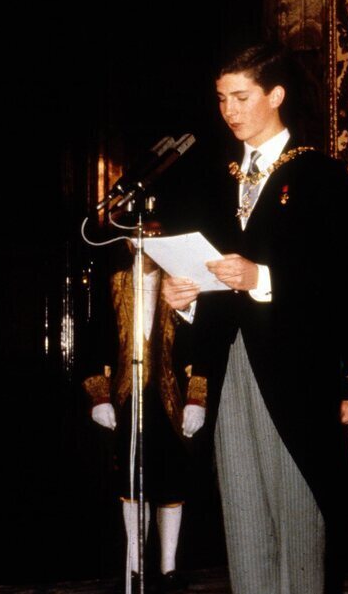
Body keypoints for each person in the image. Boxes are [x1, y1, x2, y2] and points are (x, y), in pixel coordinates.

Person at [161, 43, 348, 594]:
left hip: (298, 372)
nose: (228, 110)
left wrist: (263, 279)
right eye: (221, 99)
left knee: (298, 512)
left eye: (240, 96)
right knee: (244, 514)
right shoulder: (215, 181)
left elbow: (345, 285)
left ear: (275, 96)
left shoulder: (322, 177)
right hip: (231, 367)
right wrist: (184, 297)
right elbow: (210, 277)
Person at [83, 250, 194, 592]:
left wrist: (196, 398)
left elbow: (198, 341)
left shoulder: (179, 280)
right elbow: (96, 336)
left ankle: (169, 567)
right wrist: (99, 395)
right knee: (131, 485)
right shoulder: (113, 282)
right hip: (126, 395)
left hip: (170, 397)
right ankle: (133, 568)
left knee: (172, 481)